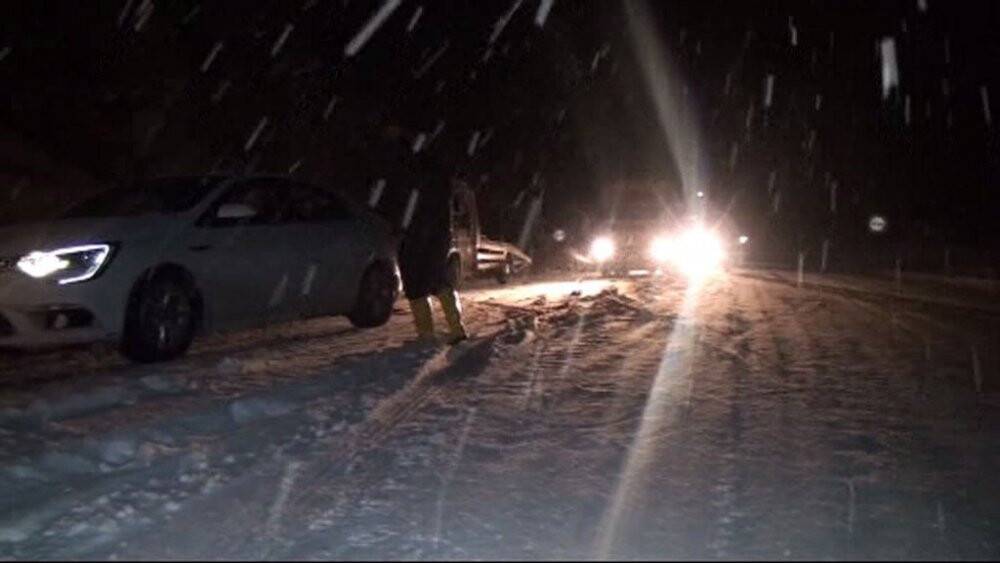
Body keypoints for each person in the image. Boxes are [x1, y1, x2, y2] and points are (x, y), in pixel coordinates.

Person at [381, 125, 468, 344]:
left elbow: (401, 200)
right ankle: (451, 329)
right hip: (432, 230)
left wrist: (399, 226)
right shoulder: (436, 169)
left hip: (418, 231)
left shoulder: (409, 167)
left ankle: (429, 333)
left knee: (418, 281)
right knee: (433, 279)